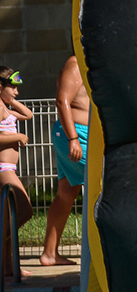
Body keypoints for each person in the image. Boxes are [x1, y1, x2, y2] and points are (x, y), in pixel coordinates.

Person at [38, 56, 89, 267]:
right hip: (76, 134)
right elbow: (62, 100)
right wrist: (73, 139)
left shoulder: (90, 62)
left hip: (78, 134)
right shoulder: (75, 63)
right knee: (106, 182)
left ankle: (50, 254)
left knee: (66, 193)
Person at [0, 67, 33, 279]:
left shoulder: (5, 107)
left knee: (9, 217)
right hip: (3, 169)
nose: (16, 92)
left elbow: (28, 115)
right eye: (12, 87)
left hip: (10, 168)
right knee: (24, 211)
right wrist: (17, 137)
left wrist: (10, 100)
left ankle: (9, 267)